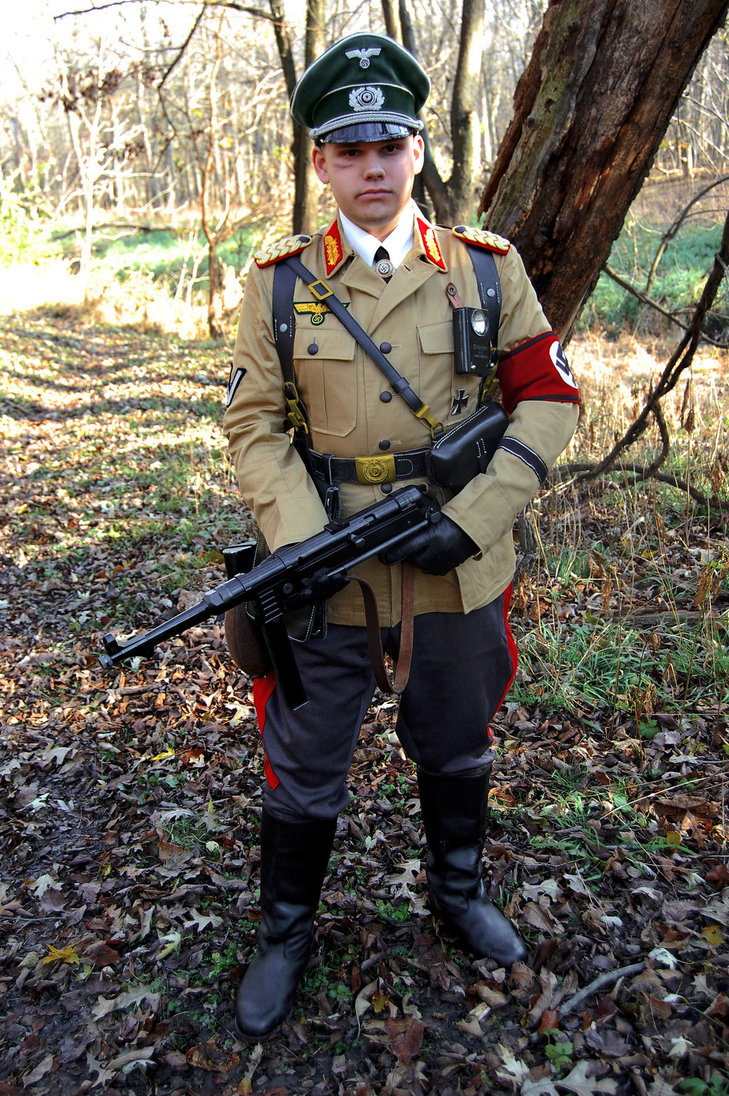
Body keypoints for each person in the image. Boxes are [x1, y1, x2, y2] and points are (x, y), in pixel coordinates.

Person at [223, 31, 580, 1041]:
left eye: (389, 147)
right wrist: (301, 542)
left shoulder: (485, 271)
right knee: (305, 755)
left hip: (454, 570)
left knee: (458, 738)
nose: (371, 169)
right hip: (326, 576)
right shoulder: (280, 284)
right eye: (350, 151)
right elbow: (253, 426)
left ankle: (458, 892)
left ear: (417, 151)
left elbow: (548, 398)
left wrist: (473, 519)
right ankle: (287, 929)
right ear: (320, 164)